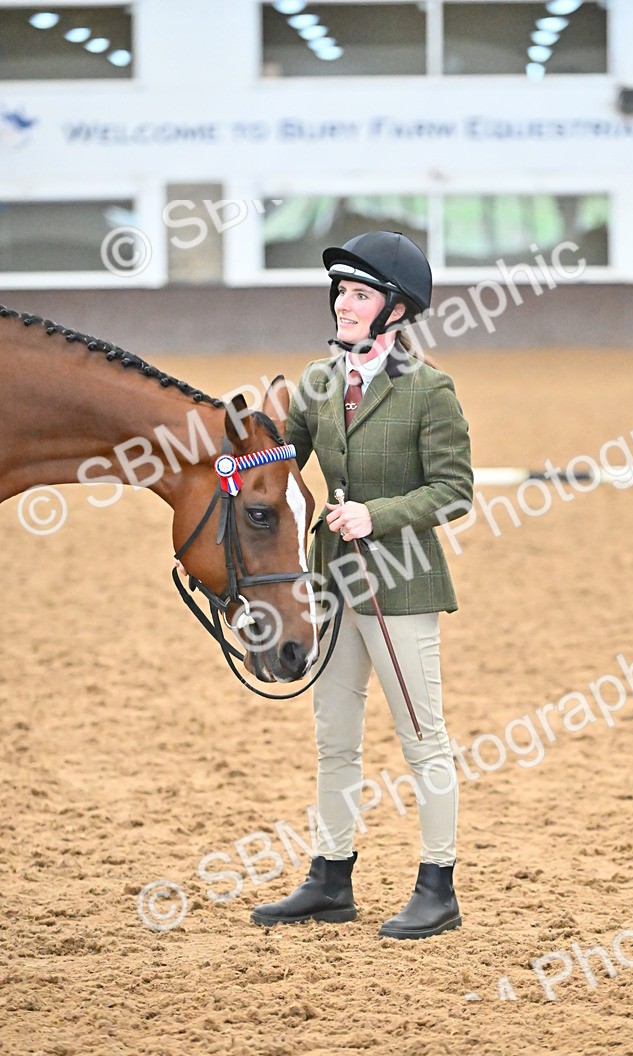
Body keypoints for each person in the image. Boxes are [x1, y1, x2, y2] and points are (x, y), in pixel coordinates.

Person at [250, 230, 473, 940]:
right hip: (332, 583)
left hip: (401, 584)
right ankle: (330, 878)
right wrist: (234, 459)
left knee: (421, 738)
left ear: (395, 311)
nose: (344, 305)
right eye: (342, 293)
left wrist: (375, 514)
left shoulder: (431, 390)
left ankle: (438, 885)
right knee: (335, 738)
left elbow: (454, 490)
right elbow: (283, 455)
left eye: (360, 295)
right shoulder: (319, 381)